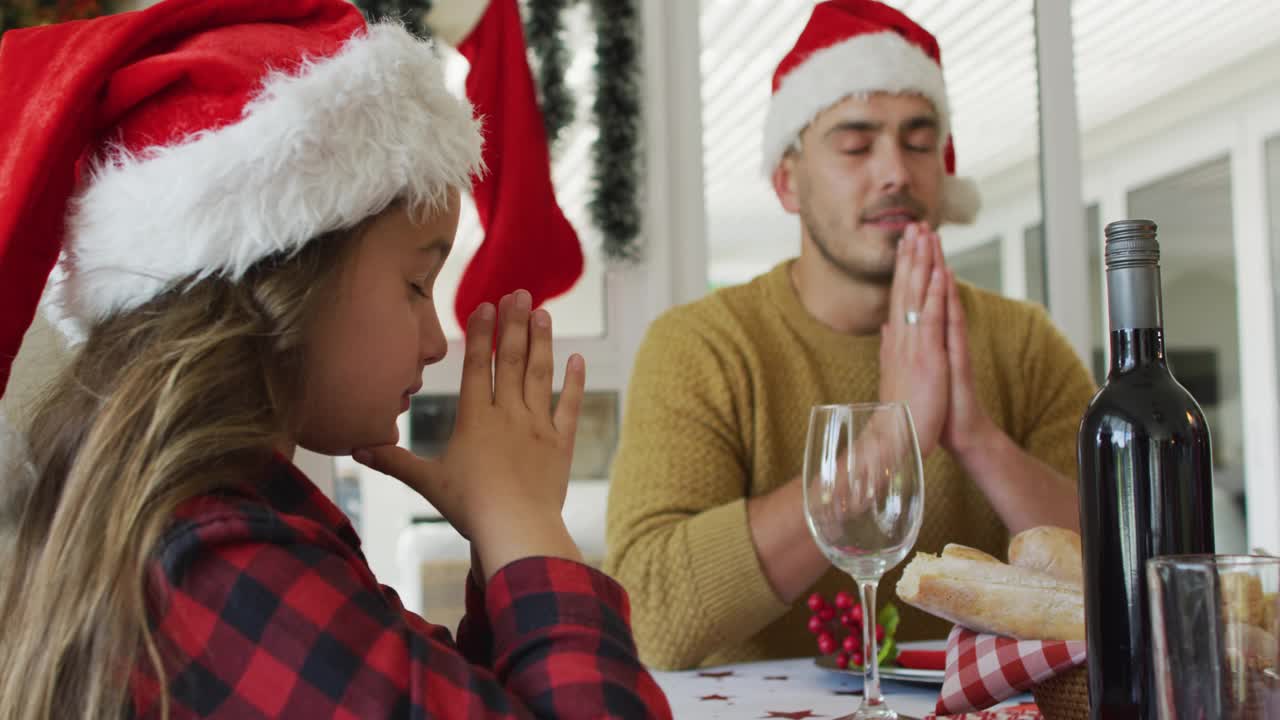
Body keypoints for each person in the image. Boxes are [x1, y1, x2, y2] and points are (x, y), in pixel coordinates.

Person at [0, 1, 671, 717]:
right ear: (284, 283)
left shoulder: (247, 518)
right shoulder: (216, 564)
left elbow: (451, 697)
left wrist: (503, 529)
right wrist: (524, 521)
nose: (436, 340)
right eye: (416, 284)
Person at [604, 0, 1097, 670]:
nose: (896, 170)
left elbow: (1127, 581)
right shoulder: (701, 347)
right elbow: (653, 618)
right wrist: (884, 446)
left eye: (920, 141)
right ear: (787, 182)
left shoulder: (1024, 341)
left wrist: (975, 437)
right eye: (856, 144)